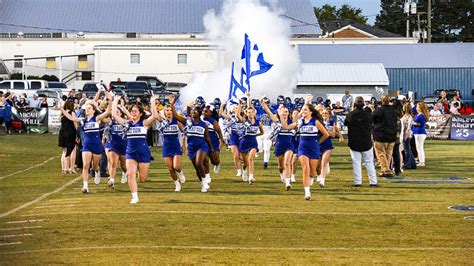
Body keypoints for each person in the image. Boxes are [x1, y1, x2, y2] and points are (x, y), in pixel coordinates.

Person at [112, 94, 160, 203]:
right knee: (130, 173)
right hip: (130, 153)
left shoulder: (144, 123)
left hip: (143, 153)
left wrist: (152, 102)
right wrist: (115, 101)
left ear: (140, 113)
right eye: (132, 111)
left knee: (142, 179)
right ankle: (135, 197)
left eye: (135, 111)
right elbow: (114, 115)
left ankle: (139, 173)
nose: (133, 113)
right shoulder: (127, 124)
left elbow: (155, 116)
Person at [60, 97, 110, 194]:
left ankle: (97, 172)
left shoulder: (97, 119)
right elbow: (71, 118)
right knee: (86, 166)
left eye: (89, 108)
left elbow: (107, 111)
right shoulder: (83, 120)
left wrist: (111, 100)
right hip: (87, 145)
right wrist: (61, 109)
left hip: (97, 145)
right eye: (86, 108)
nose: (87, 110)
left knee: (94, 166)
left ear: (93, 110)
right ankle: (85, 186)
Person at [295, 96, 329, 200]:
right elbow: (295, 119)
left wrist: (318, 142)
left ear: (310, 112)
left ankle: (310, 179)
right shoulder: (300, 121)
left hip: (314, 148)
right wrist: (305, 103)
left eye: (305, 110)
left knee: (312, 172)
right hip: (302, 148)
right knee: (305, 168)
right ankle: (307, 192)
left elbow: (326, 134)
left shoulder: (315, 122)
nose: (303, 111)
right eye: (302, 110)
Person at [261, 98, 295, 190]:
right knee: (280, 166)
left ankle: (288, 182)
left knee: (287, 162)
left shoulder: (292, 122)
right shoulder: (277, 121)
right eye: (283, 111)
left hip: (289, 145)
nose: (285, 113)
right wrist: (262, 103)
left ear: (289, 113)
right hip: (279, 145)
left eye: (286, 111)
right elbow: (268, 112)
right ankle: (281, 173)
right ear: (280, 112)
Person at [155, 95, 187, 192]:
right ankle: (177, 184)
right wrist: (153, 103)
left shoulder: (176, 121)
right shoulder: (162, 121)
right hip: (166, 147)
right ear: (164, 112)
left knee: (176, 166)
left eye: (170, 110)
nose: (168, 112)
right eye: (166, 110)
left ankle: (180, 172)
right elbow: (155, 115)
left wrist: (184, 144)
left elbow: (184, 132)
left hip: (176, 146)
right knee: (170, 168)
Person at [344, 96, 378, 187]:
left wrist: (352, 110)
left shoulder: (350, 115)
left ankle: (358, 181)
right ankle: (373, 181)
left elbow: (345, 123)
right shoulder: (368, 115)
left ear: (354, 104)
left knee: (356, 162)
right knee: (369, 162)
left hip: (354, 141)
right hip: (366, 141)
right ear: (363, 104)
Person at [186, 105, 214, 192]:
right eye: (192, 111)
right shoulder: (188, 123)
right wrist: (172, 104)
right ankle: (203, 182)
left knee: (199, 162)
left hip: (202, 146)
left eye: (195, 111)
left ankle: (205, 181)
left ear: (199, 113)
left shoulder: (204, 124)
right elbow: (175, 115)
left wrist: (211, 148)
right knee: (197, 168)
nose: (193, 112)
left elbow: (207, 137)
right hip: (191, 147)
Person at [236, 93, 263, 184]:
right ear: (246, 113)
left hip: (253, 143)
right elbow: (237, 115)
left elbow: (262, 132)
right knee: (245, 162)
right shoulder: (245, 121)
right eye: (249, 112)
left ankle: (251, 177)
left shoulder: (258, 122)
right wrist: (240, 104)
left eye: (252, 112)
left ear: (254, 112)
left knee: (251, 158)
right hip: (244, 142)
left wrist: (255, 135)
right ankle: (244, 171)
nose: (250, 113)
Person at [103, 95, 128, 188]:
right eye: (115, 111)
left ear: (121, 113)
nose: (116, 112)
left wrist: (121, 105)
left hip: (123, 145)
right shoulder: (110, 121)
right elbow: (102, 117)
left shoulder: (125, 122)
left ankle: (125, 172)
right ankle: (112, 179)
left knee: (123, 165)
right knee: (113, 163)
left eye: (118, 111)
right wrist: (111, 101)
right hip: (112, 144)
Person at [372, 96, 399, 178]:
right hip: (392, 136)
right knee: (388, 154)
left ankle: (386, 170)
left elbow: (372, 120)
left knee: (380, 154)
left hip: (380, 135)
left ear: (382, 101)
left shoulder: (378, 110)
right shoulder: (394, 111)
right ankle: (385, 170)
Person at [318, 107, 344, 187]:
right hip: (319, 143)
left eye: (326, 113)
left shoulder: (332, 122)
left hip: (327, 144)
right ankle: (319, 174)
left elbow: (333, 134)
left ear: (329, 115)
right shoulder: (318, 122)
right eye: (323, 113)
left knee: (323, 163)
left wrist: (325, 130)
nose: (324, 115)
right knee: (317, 164)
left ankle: (322, 181)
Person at [203, 103, 224, 175]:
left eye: (206, 112)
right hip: (204, 142)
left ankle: (217, 164)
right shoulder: (200, 119)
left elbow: (219, 131)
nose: (204, 113)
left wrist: (221, 141)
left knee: (214, 160)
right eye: (203, 111)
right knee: (204, 159)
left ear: (210, 113)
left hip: (213, 142)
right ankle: (207, 175)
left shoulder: (213, 121)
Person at [58, 99, 78, 174]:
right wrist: (78, 133)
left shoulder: (62, 113)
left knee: (64, 151)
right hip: (70, 133)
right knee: (73, 150)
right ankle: (71, 168)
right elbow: (75, 124)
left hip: (62, 132)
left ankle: (64, 168)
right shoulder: (72, 113)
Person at [412, 102, 429, 167]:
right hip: (418, 133)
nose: (416, 108)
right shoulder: (419, 114)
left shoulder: (421, 115)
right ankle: (421, 161)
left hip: (419, 133)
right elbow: (413, 110)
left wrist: (413, 123)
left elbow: (421, 124)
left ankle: (422, 162)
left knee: (419, 148)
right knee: (419, 148)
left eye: (417, 107)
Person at [400, 103, 417, 170]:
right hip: (408, 134)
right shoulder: (409, 116)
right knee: (408, 149)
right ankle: (412, 164)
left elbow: (407, 128)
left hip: (406, 134)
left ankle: (408, 164)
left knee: (407, 150)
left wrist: (405, 135)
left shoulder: (406, 117)